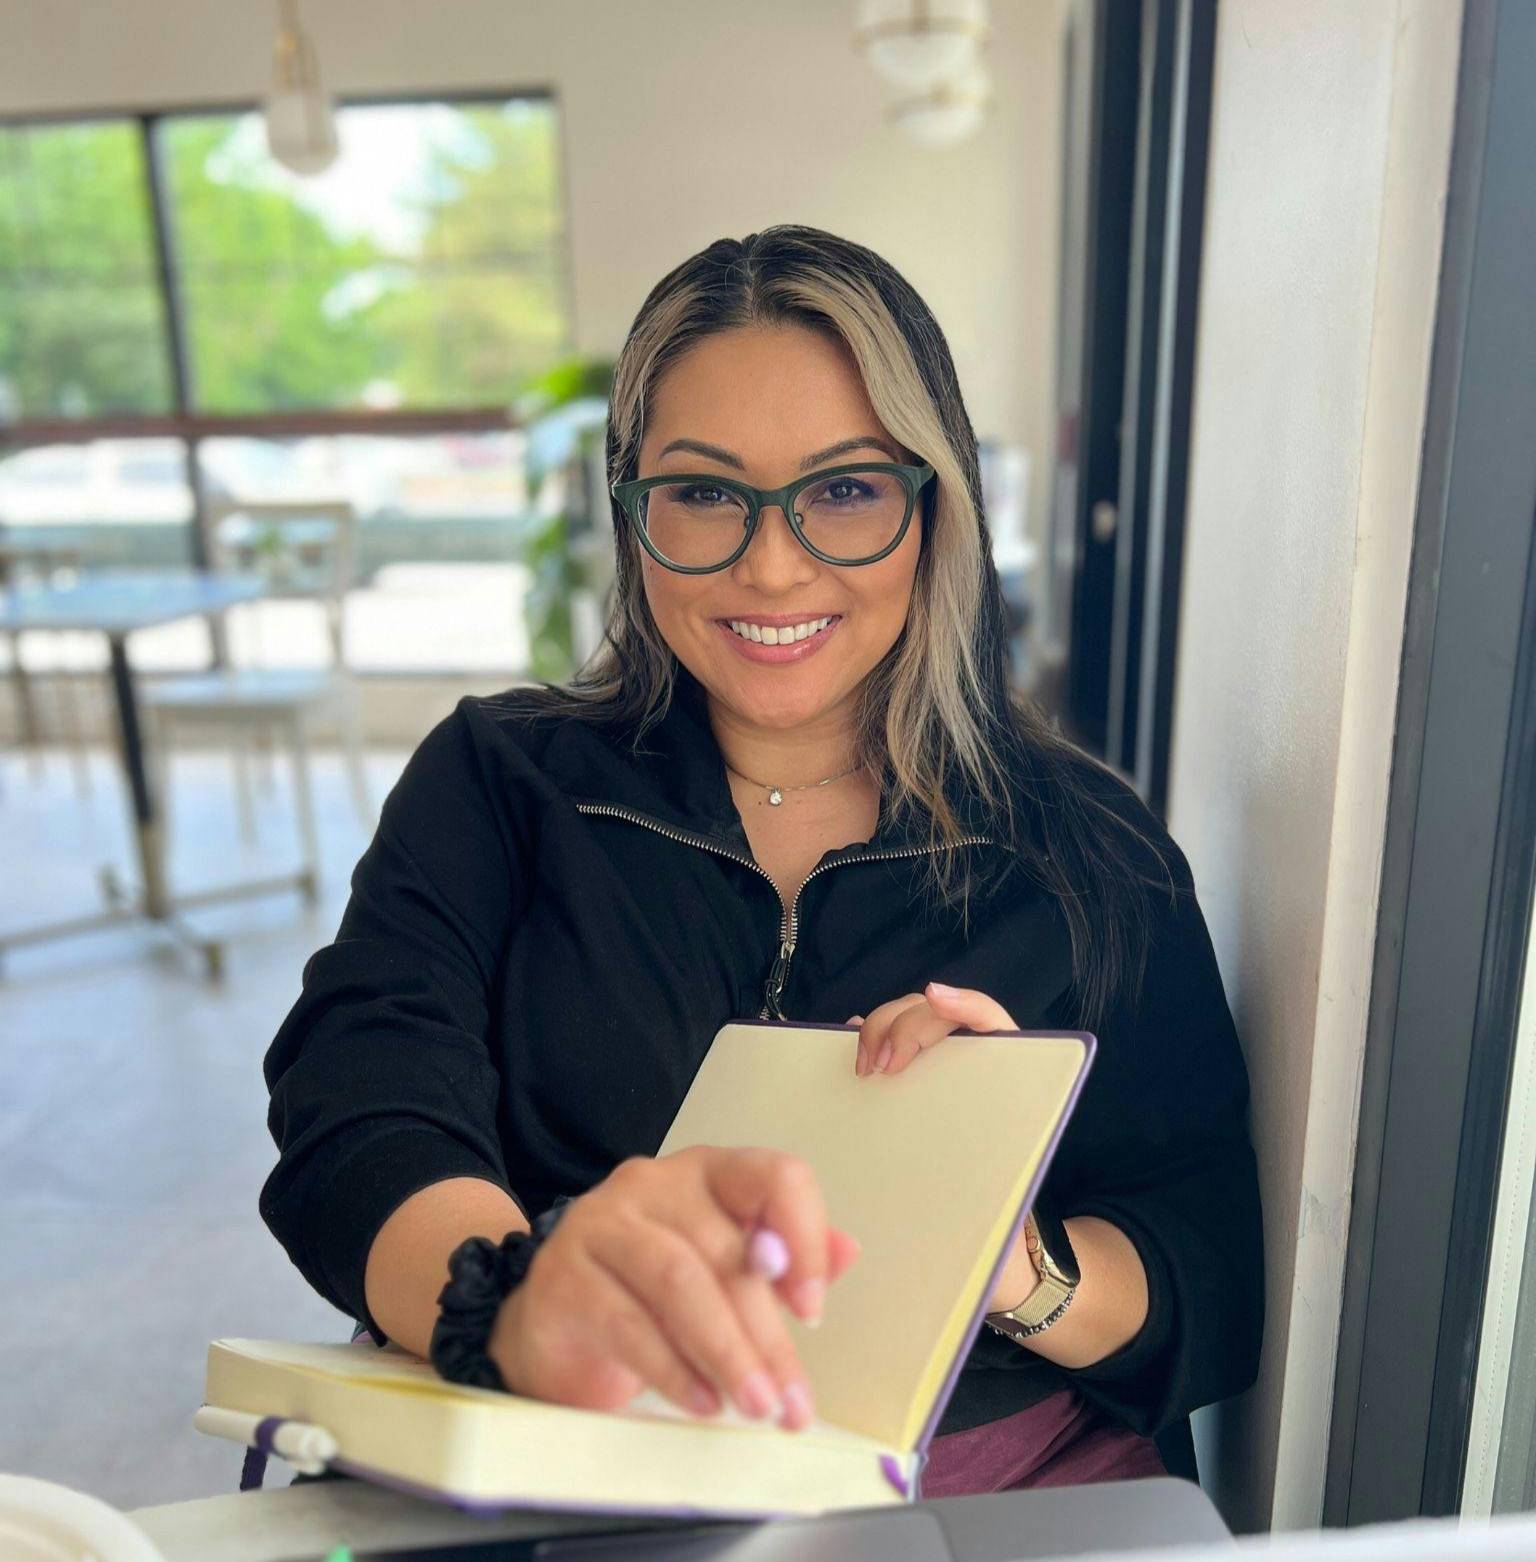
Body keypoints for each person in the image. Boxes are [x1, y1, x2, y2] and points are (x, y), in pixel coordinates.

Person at [260, 224, 1263, 1497]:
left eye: (845, 488)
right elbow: (357, 1111)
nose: (771, 562)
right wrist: (513, 1306)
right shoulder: (501, 781)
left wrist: (1012, 1262)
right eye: (705, 491)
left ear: (932, 503)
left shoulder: (1087, 852)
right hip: (548, 1457)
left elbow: (1211, 1276)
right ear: (631, 510)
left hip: (977, 1492)